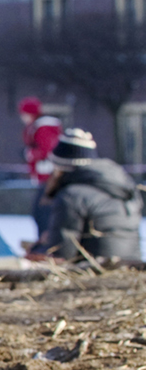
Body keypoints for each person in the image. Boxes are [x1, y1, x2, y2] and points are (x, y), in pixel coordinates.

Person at [29, 128, 143, 264]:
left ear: (61, 167)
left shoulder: (71, 196)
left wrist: (38, 249)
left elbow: (61, 255)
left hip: (92, 272)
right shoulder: (124, 188)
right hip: (131, 267)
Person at [20, 96, 63, 237]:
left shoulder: (43, 128)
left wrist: (32, 154)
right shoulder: (37, 127)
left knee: (42, 213)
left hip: (47, 177)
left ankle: (45, 242)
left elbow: (47, 149)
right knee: (42, 213)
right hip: (45, 177)